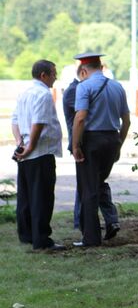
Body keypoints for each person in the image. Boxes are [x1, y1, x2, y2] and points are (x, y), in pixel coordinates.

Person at [72, 53, 130, 247]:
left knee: (88, 189)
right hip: (112, 139)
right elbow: (127, 120)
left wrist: (75, 145)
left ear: (83, 70)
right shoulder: (117, 87)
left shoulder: (84, 86)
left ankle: (91, 238)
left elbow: (80, 118)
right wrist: (119, 143)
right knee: (98, 183)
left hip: (92, 141)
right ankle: (110, 221)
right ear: (101, 66)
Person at [11, 59, 64, 250]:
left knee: (25, 196)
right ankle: (42, 239)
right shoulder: (43, 94)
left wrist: (20, 144)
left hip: (24, 152)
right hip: (40, 152)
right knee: (42, 197)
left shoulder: (24, 92)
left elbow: (15, 119)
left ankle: (26, 235)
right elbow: (39, 122)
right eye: (53, 74)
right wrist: (31, 146)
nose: (55, 78)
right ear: (44, 75)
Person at [62, 64, 118, 230]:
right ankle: (104, 221)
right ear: (84, 73)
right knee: (93, 185)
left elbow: (82, 118)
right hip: (85, 142)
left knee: (90, 185)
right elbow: (80, 118)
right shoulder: (76, 90)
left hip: (89, 143)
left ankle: (88, 226)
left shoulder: (82, 88)